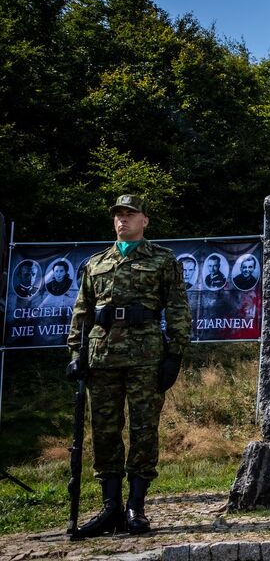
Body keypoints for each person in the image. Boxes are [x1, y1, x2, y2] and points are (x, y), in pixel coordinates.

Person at [66, 194, 191, 537]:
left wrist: (175, 354)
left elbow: (178, 307)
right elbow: (83, 311)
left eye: (130, 215)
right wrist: (76, 353)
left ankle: (136, 506)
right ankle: (111, 508)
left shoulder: (163, 260)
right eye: (118, 215)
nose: (123, 220)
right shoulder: (95, 263)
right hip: (102, 356)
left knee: (143, 431)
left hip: (146, 356)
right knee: (105, 432)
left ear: (144, 221)